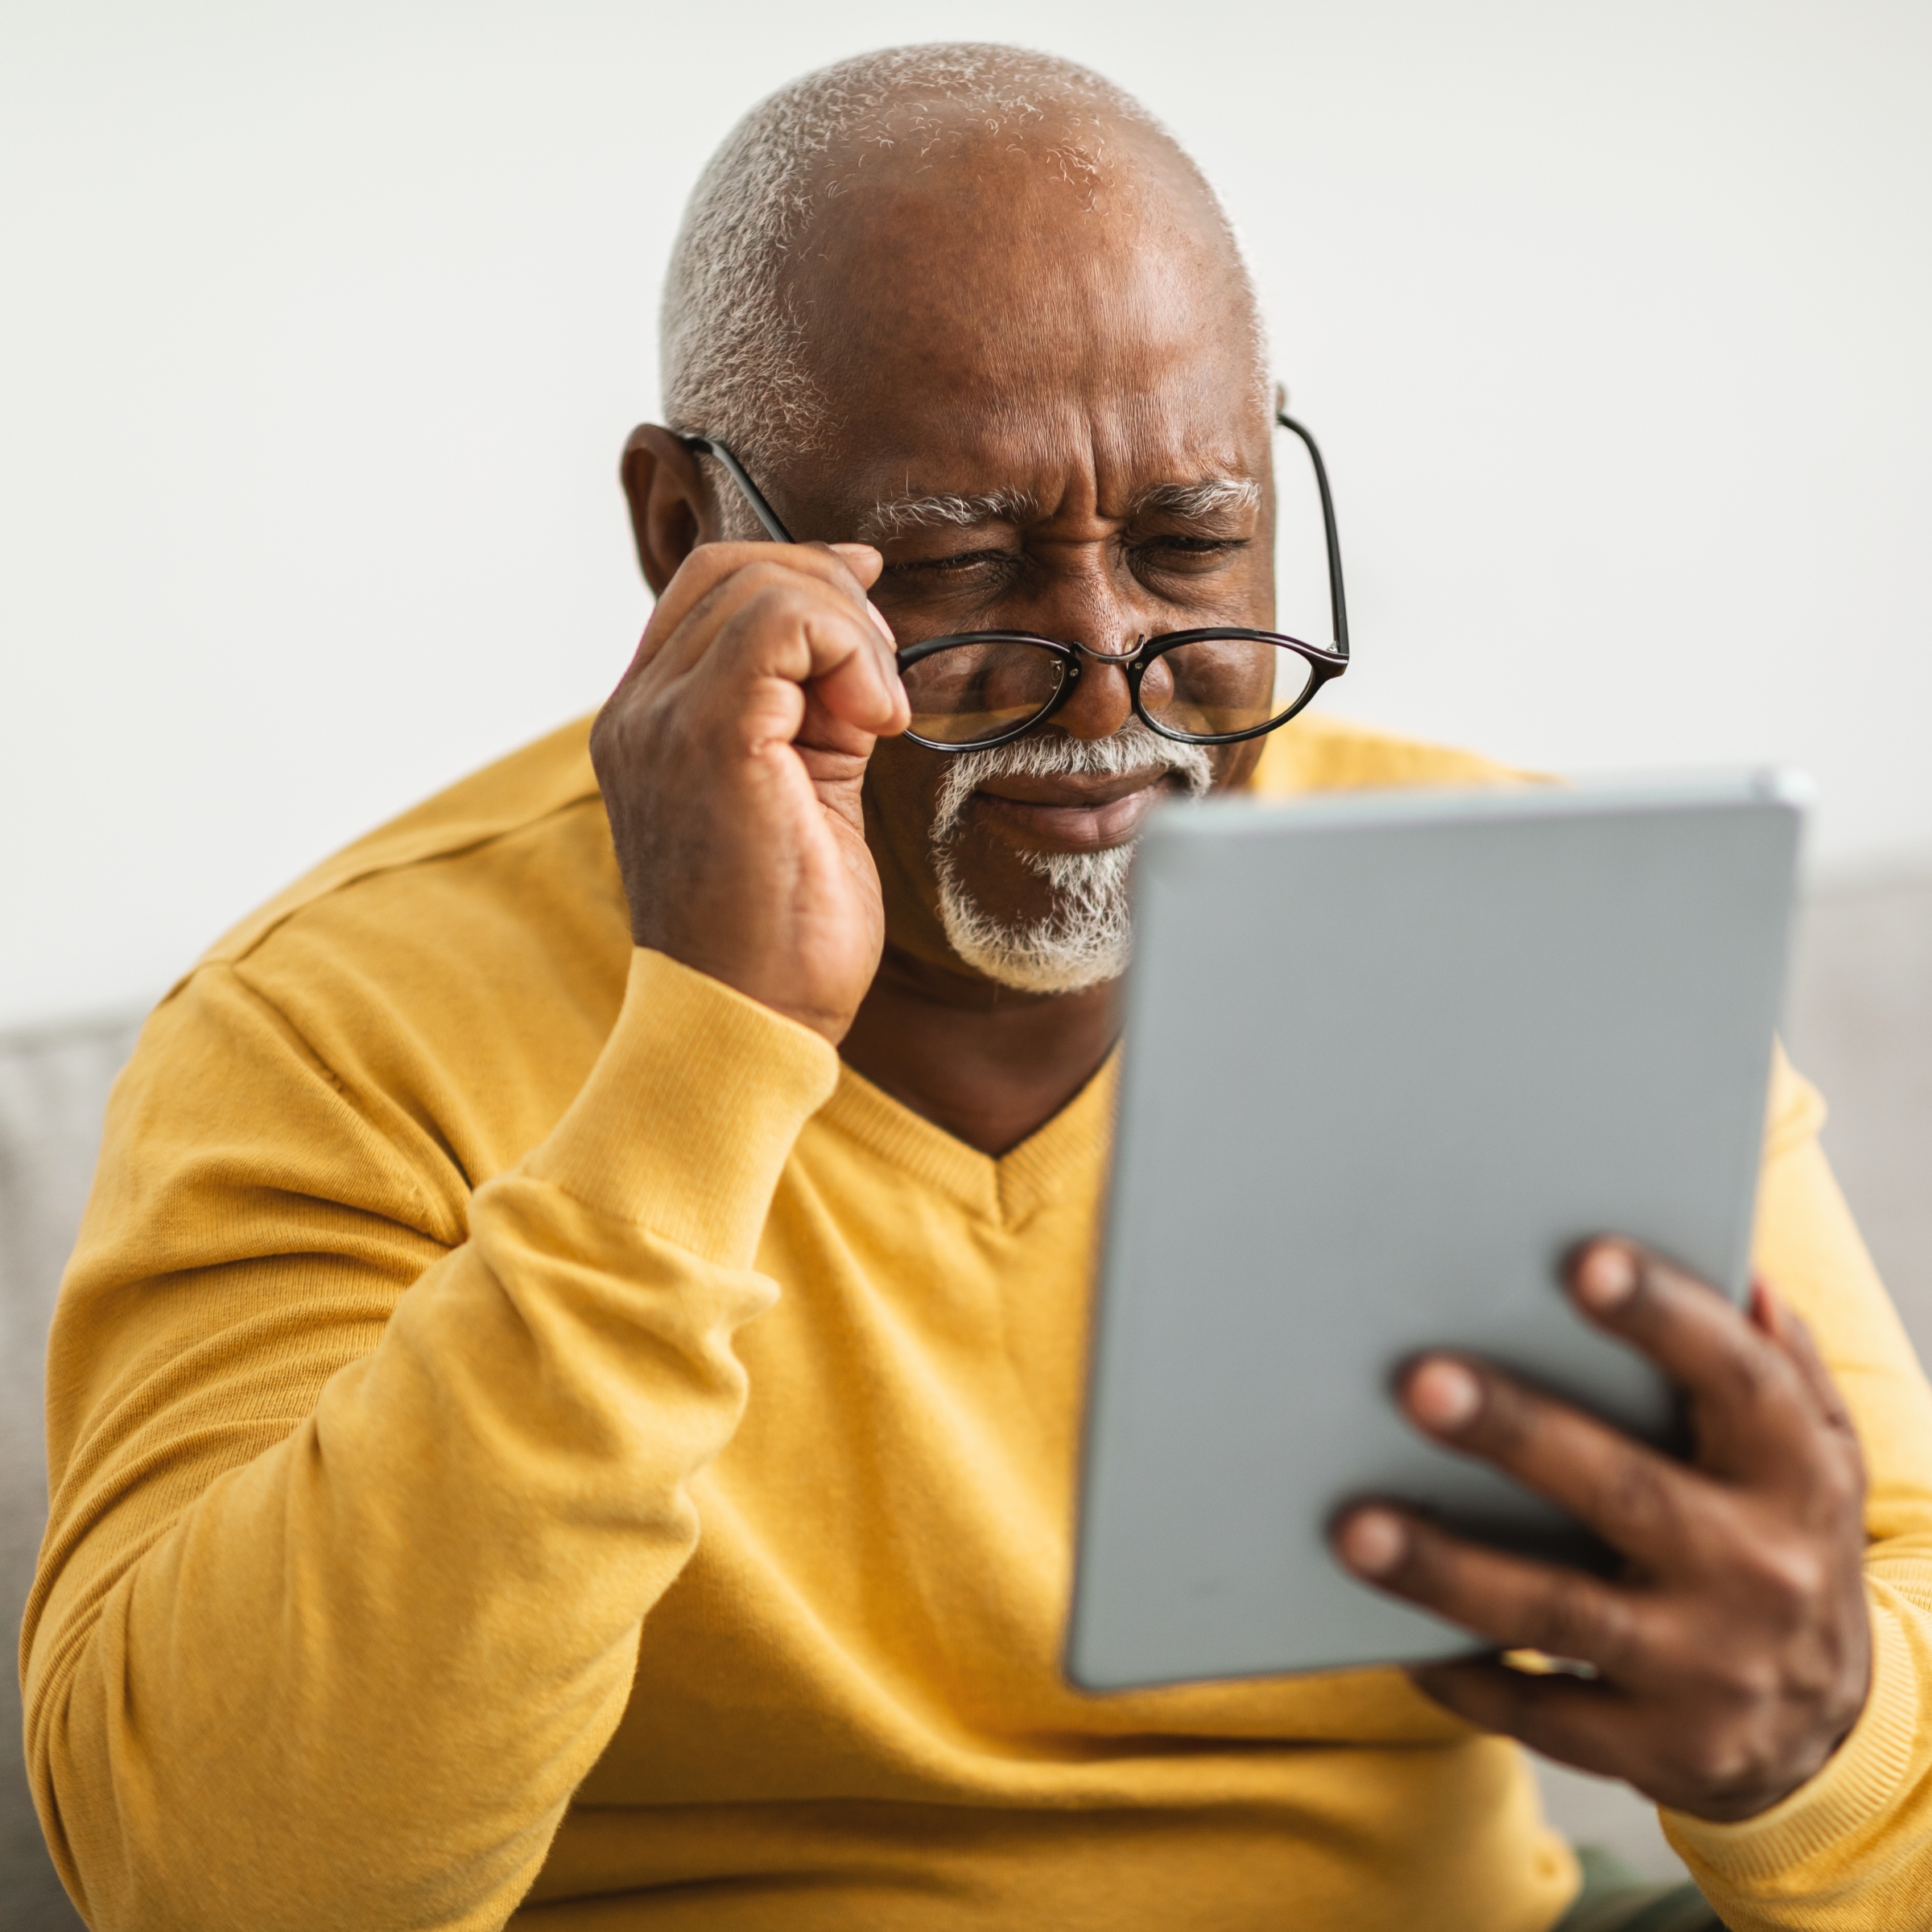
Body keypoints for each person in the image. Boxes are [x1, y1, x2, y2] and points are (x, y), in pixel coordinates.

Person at [22, 43, 1930, 1932]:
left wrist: (1814, 1740)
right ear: (691, 541)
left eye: (1193, 543)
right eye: (963, 564)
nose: (1113, 669)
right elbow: (214, 1884)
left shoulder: (1537, 926)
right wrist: (709, 1041)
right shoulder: (328, 1026)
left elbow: (1888, 1629)